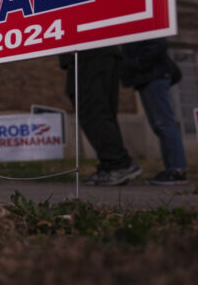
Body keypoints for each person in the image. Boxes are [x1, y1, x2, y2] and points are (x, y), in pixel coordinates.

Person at [59, 47, 142, 185]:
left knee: (92, 109)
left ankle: (118, 164)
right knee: (102, 110)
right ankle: (112, 164)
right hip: (100, 51)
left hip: (87, 52)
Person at [121, 38, 189, 186]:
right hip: (146, 79)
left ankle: (177, 170)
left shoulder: (144, 24)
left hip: (154, 77)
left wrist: (136, 63)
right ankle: (171, 168)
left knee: (164, 123)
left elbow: (158, 44)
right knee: (160, 126)